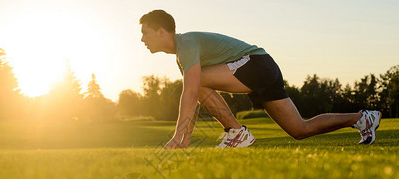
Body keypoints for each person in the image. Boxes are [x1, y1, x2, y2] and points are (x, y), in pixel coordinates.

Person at [139, 10, 381, 149]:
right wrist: (186, 138)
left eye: (145, 33)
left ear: (162, 31)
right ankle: (363, 119)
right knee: (300, 129)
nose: (142, 39)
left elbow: (191, 93)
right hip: (263, 68)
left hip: (255, 64)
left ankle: (237, 132)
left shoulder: (187, 44)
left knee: (196, 83)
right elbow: (194, 94)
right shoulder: (183, 53)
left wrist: (176, 137)